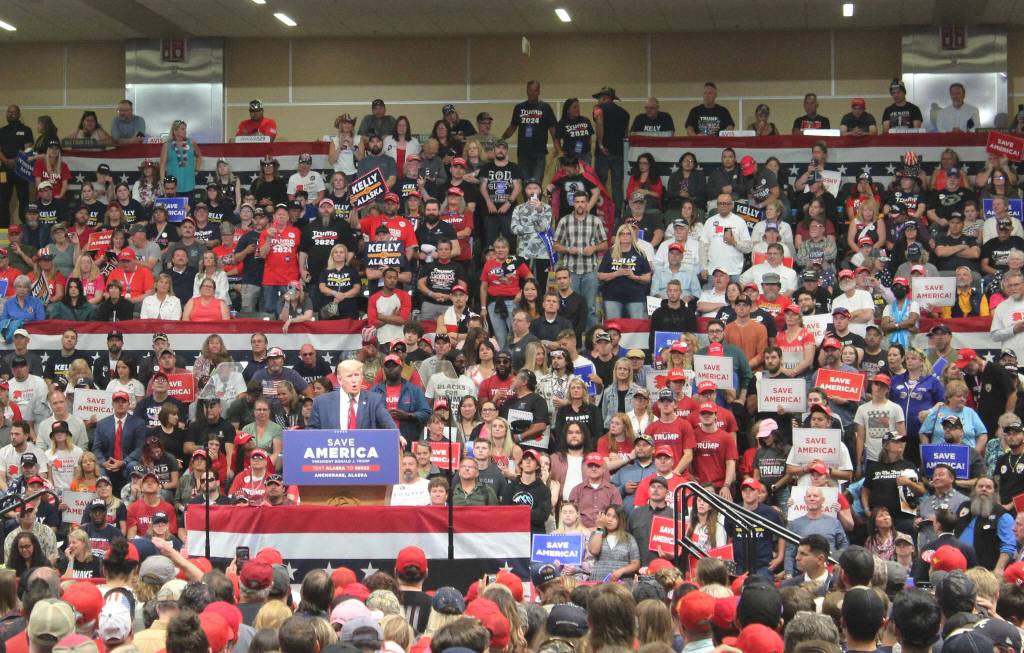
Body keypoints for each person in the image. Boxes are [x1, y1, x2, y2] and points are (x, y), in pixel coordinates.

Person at [501, 80, 559, 184]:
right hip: (523, 152)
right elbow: (512, 127)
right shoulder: (519, 108)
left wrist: (557, 147)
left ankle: (536, 201)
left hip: (539, 152)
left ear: (539, 91)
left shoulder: (545, 108)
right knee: (524, 183)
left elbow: (553, 129)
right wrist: (501, 139)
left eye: (535, 90)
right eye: (530, 90)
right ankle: (527, 201)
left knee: (536, 183)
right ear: (527, 91)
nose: (532, 93)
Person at [587, 505, 640, 581]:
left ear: (621, 520)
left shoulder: (629, 538)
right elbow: (594, 551)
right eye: (608, 515)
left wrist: (622, 571)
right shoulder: (597, 534)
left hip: (622, 582)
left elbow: (635, 564)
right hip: (598, 581)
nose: (610, 519)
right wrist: (600, 528)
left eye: (614, 517)